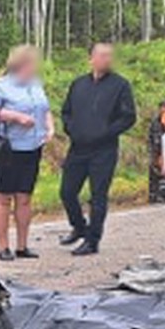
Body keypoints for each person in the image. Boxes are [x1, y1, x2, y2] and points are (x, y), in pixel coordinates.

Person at [59, 42, 136, 256]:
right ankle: (79, 226)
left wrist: (106, 132)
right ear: (91, 58)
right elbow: (66, 112)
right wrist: (71, 129)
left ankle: (92, 241)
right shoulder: (78, 84)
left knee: (98, 196)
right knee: (67, 192)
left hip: (104, 150)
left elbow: (128, 116)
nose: (106, 59)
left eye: (109, 56)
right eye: (102, 55)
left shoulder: (120, 85)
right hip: (78, 147)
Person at [0, 44, 53, 262]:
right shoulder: (1, 86)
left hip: (32, 147)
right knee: (3, 198)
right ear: (22, 64)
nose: (35, 67)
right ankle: (3, 246)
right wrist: (15, 117)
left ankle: (23, 245)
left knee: (24, 198)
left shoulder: (36, 84)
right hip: (8, 149)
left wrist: (50, 127)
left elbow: (45, 108)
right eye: (32, 63)